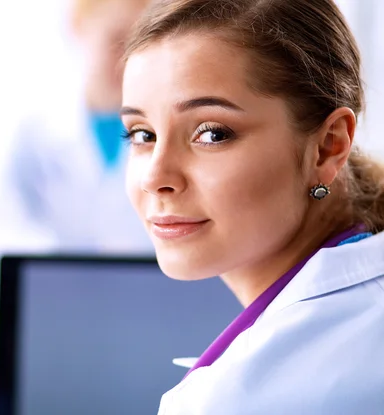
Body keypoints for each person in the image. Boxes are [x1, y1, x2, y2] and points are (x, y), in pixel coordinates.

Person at [120, 0, 384, 413]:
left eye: (212, 134)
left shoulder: (247, 398)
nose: (155, 178)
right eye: (142, 134)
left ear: (328, 146)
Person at [0, 0, 153, 255]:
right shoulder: (37, 136)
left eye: (144, 44)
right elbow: (9, 230)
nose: (128, 60)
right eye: (118, 40)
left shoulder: (167, 130)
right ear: (77, 27)